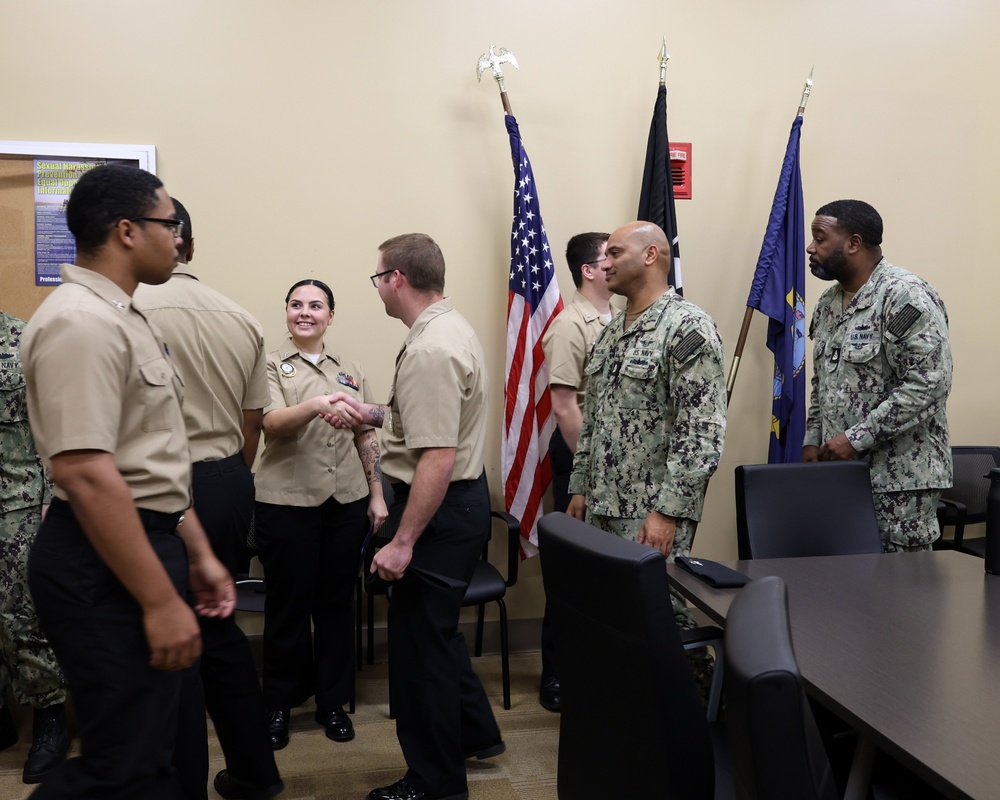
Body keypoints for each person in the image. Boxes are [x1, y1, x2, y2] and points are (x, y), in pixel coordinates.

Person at [20, 163, 235, 799]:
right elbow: (86, 473)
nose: (179, 238)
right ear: (126, 231)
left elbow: (148, 461)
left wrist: (195, 553)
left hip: (145, 541)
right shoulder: (79, 323)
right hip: (101, 562)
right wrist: (160, 601)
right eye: (170, 224)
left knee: (157, 754)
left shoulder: (123, 315)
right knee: (121, 764)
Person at [326, 233, 503, 800]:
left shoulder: (430, 348)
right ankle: (476, 733)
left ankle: (435, 783)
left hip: (439, 510)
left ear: (396, 278)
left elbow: (436, 455)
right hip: (456, 503)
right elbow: (419, 421)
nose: (377, 287)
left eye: (377, 277)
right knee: (437, 635)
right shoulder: (446, 328)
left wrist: (402, 542)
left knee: (419, 654)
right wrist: (367, 412)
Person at [134, 198, 283, 800]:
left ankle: (183, 785)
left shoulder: (127, 311)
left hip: (160, 488)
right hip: (227, 480)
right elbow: (252, 421)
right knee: (219, 627)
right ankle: (254, 770)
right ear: (192, 247)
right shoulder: (241, 317)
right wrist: (228, 477)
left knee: (168, 640)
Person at [566, 221, 726, 659]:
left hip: (650, 511)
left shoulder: (686, 328)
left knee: (662, 622)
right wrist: (579, 487)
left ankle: (693, 718)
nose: (605, 262)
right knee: (613, 625)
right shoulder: (613, 332)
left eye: (616, 253)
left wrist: (668, 512)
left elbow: (703, 431)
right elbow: (594, 419)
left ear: (651, 255)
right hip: (601, 506)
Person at [253, 278, 387, 751]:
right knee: (287, 608)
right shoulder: (268, 364)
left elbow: (366, 434)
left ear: (331, 315)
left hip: (345, 501)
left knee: (335, 606)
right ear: (286, 312)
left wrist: (376, 492)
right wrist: (316, 405)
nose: (304, 312)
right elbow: (271, 425)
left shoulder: (350, 369)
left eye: (316, 305)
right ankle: (279, 705)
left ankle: (332, 702)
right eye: (296, 304)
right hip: (286, 503)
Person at [803, 199, 952, 551]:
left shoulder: (903, 297)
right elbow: (822, 380)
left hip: (899, 480)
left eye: (820, 238)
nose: (811, 247)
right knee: (845, 588)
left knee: (899, 594)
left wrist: (855, 438)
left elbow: (929, 384)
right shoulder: (828, 303)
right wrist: (813, 437)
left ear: (854, 243)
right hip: (840, 475)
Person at [536, 231, 612, 712]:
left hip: (620, 462)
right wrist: (591, 469)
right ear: (589, 269)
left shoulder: (627, 318)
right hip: (580, 456)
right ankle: (558, 674)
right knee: (573, 570)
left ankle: (605, 668)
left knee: (612, 571)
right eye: (612, 256)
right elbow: (565, 407)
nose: (621, 263)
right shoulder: (570, 325)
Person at [0, 310, 69, 784]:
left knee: (20, 613)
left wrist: (51, 496)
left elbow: (55, 421)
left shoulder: (24, 339)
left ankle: (51, 715)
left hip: (18, 499)